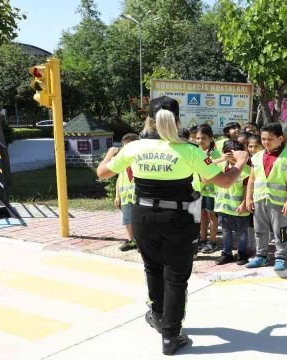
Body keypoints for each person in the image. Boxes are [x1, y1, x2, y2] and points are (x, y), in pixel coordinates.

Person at [97, 96, 249, 355]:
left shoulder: (134, 148)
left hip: (143, 217)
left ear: (149, 121)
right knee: (176, 278)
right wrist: (240, 164)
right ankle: (170, 336)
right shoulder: (190, 150)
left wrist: (111, 154)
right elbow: (223, 182)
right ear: (178, 121)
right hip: (178, 220)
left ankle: (158, 317)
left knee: (153, 269)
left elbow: (102, 173)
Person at [245, 123, 287, 271]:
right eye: (263, 139)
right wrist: (248, 198)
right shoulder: (255, 157)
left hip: (279, 202)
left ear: (280, 138)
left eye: (270, 139)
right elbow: (251, 179)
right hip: (259, 199)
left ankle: (281, 256)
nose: (266, 142)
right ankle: (261, 256)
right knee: (259, 229)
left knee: (280, 230)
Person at [214, 140, 251, 265]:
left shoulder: (247, 170)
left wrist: (245, 203)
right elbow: (203, 169)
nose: (233, 159)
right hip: (222, 208)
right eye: (229, 156)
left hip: (238, 209)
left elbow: (248, 189)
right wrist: (220, 159)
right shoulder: (219, 166)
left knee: (241, 233)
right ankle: (227, 253)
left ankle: (242, 253)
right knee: (226, 231)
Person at [196, 124, 222, 253]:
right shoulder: (195, 152)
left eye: (203, 138)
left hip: (212, 191)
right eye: (198, 138)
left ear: (211, 139)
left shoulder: (216, 154)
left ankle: (212, 242)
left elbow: (216, 170)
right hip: (199, 189)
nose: (200, 141)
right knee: (202, 215)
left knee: (211, 215)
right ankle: (202, 239)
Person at [115, 133, 140, 251]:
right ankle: (131, 241)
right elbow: (119, 178)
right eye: (124, 146)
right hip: (125, 196)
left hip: (139, 196)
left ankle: (141, 242)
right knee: (127, 219)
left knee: (140, 220)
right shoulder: (123, 160)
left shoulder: (141, 159)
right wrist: (117, 196)